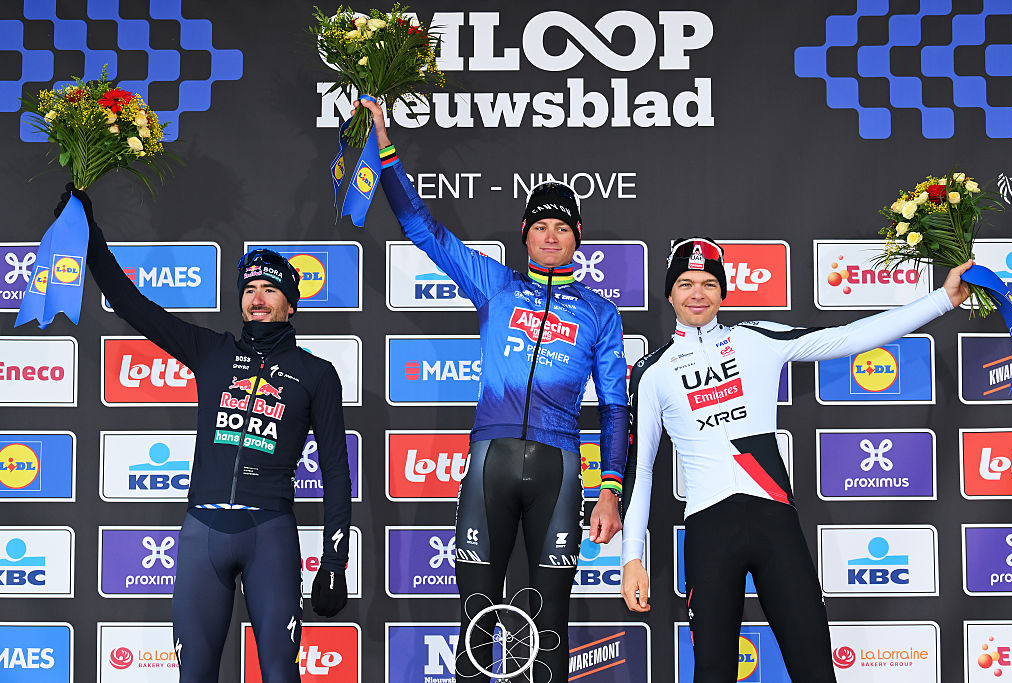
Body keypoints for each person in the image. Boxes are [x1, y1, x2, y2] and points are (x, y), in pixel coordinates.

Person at [354, 98, 628, 682]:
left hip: (559, 468)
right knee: (477, 618)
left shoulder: (601, 314)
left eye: (562, 227)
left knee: (550, 619)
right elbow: (422, 230)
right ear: (525, 235)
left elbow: (614, 408)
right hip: (489, 465)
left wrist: (611, 491)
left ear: (577, 238)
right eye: (540, 226)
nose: (551, 236)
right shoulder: (497, 286)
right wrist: (384, 148)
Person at [619, 237, 973, 682]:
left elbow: (849, 337)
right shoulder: (653, 372)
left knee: (814, 668)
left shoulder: (756, 340)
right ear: (669, 293)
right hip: (710, 532)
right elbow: (641, 468)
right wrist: (632, 556)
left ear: (724, 292)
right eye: (686, 283)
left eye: (709, 283)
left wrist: (943, 299)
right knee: (712, 672)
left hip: (775, 523)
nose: (697, 293)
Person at [58, 186, 352, 682]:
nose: (258, 299)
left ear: (290, 305)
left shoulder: (317, 373)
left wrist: (336, 559)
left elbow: (337, 472)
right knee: (194, 672)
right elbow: (133, 305)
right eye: (249, 290)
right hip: (202, 533)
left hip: (271, 534)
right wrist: (87, 234)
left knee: (281, 672)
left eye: (270, 290)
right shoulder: (212, 352)